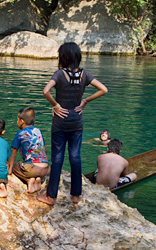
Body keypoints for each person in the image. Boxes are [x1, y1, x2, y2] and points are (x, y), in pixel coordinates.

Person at [36, 42, 109, 207]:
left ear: (63, 57)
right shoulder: (85, 74)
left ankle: (51, 196)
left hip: (60, 121)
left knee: (57, 158)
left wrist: (55, 105)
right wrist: (85, 101)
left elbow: (45, 91)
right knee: (75, 157)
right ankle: (76, 195)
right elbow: (104, 89)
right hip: (76, 121)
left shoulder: (60, 74)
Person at [8, 107, 49, 193]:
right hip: (45, 169)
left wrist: (10, 169)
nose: (17, 122)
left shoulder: (20, 133)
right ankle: (38, 179)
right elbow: (44, 149)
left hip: (32, 169)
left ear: (22, 121)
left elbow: (13, 153)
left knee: (16, 165)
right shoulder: (38, 131)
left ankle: (29, 180)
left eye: (17, 120)